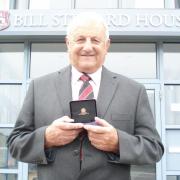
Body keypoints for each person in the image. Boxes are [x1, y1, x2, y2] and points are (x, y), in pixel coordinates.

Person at [7, 12, 164, 180]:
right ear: (68, 43)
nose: (88, 47)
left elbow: (154, 149)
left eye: (95, 40)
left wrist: (118, 142)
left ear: (107, 45)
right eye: (80, 39)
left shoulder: (134, 91)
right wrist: (46, 138)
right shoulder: (39, 87)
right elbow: (15, 144)